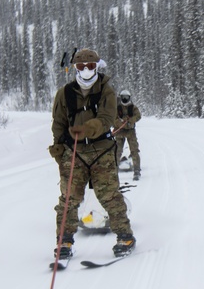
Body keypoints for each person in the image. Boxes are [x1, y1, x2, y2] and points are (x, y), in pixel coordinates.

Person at [49, 48, 136, 259]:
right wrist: (58, 148)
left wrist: (87, 129)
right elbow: (59, 122)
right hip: (74, 151)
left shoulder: (106, 90)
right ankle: (64, 242)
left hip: (101, 149)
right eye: (81, 66)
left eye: (90, 66)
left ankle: (125, 236)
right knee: (69, 198)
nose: (86, 70)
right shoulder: (64, 93)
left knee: (109, 195)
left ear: (97, 67)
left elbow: (107, 119)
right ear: (75, 69)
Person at [115, 89, 143, 180]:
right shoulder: (117, 108)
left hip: (130, 131)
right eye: (123, 97)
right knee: (117, 151)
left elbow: (138, 116)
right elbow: (112, 119)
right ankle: (113, 171)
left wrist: (130, 121)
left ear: (129, 97)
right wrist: (121, 123)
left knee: (134, 150)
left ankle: (137, 171)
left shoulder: (133, 107)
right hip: (119, 131)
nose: (125, 99)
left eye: (126, 97)